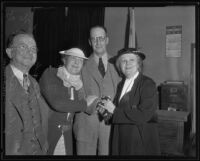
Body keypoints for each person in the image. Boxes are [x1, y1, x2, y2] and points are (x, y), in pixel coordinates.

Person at [102, 48, 161, 155]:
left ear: (138, 63)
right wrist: (106, 113)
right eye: (123, 61)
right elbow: (117, 112)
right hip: (120, 138)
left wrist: (114, 111)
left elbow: (144, 115)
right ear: (119, 66)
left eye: (132, 60)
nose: (127, 63)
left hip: (139, 141)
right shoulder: (120, 85)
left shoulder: (147, 84)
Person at [39, 48, 97, 155]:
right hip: (47, 133)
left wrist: (99, 102)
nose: (76, 62)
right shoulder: (51, 74)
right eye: (73, 58)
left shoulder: (78, 83)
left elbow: (88, 108)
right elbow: (57, 103)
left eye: (80, 60)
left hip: (66, 135)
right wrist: (86, 103)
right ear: (64, 60)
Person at [73, 26, 120, 155]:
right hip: (86, 125)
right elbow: (76, 93)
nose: (98, 42)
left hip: (110, 127)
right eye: (94, 39)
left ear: (107, 40)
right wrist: (95, 104)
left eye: (101, 38)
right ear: (89, 42)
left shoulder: (119, 64)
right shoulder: (79, 64)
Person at [5, 32, 49, 155]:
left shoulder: (34, 83)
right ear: (9, 52)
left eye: (33, 48)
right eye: (23, 46)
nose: (30, 51)